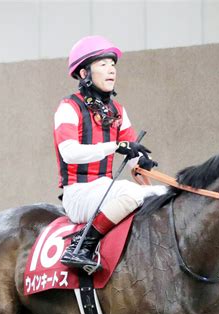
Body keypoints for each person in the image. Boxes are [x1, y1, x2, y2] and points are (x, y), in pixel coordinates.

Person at [55, 35, 168, 271]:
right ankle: (82, 245)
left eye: (113, 65)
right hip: (78, 193)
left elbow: (130, 151)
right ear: (84, 73)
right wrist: (115, 147)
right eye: (103, 64)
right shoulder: (68, 107)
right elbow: (70, 153)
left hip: (104, 189)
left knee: (164, 192)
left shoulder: (117, 110)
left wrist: (141, 162)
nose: (111, 70)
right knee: (132, 194)